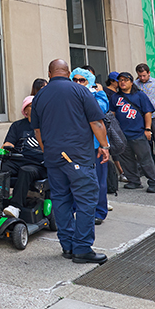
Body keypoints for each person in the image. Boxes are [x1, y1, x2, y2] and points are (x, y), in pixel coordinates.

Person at [31, 59, 110, 264]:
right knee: (85, 201)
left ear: (49, 73)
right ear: (67, 72)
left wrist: (46, 149)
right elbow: (96, 121)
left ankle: (67, 246)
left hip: (53, 157)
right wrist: (104, 145)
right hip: (79, 156)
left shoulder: (40, 96)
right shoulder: (80, 91)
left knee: (61, 199)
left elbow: (37, 130)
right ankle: (82, 248)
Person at [71, 67, 111, 223]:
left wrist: (104, 145)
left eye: (82, 80)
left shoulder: (97, 96)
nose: (78, 83)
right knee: (76, 180)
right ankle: (77, 209)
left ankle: (99, 212)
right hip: (76, 146)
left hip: (96, 146)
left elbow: (99, 113)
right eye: (75, 80)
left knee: (98, 180)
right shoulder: (70, 96)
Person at [113, 71, 155, 194]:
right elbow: (112, 114)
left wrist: (148, 129)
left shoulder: (140, 95)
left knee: (145, 159)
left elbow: (148, 112)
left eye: (125, 80)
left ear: (131, 82)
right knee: (126, 160)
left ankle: (154, 182)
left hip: (138, 133)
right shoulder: (115, 97)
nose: (122, 82)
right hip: (122, 135)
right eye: (120, 80)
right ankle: (134, 181)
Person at [0, 96, 45, 217]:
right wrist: (3, 149)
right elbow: (8, 143)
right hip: (18, 159)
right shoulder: (17, 126)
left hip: (37, 163)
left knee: (26, 171)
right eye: (31, 106)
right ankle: (0, 205)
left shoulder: (46, 125)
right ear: (25, 110)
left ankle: (15, 207)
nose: (34, 108)